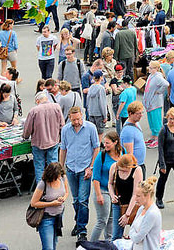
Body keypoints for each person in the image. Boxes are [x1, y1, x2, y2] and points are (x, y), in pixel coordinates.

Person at [58, 106, 98, 241]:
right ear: (70, 118)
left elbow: (96, 147)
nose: (77, 122)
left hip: (85, 169)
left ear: (82, 116)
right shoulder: (65, 130)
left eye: (79, 119)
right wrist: (60, 167)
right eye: (74, 120)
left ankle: (82, 230)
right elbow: (63, 149)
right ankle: (78, 221)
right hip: (71, 168)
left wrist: (91, 167)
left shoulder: (91, 128)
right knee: (75, 200)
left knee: (83, 200)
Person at [25, 90, 64, 184]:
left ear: (37, 101)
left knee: (39, 167)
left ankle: (41, 190)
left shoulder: (34, 111)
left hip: (38, 143)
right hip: (54, 141)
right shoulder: (56, 107)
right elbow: (62, 125)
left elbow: (27, 128)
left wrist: (25, 136)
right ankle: (55, 185)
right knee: (53, 165)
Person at [90, 130, 120, 242]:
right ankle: (91, 245)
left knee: (112, 219)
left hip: (115, 191)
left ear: (115, 142)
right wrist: (98, 195)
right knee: (102, 220)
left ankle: (109, 242)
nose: (105, 145)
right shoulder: (101, 156)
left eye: (108, 143)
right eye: (104, 143)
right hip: (103, 190)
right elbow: (96, 178)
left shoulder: (122, 153)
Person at [30, 162, 68, 250]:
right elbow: (34, 203)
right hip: (46, 218)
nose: (59, 177)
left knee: (54, 243)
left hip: (58, 215)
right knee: (48, 248)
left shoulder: (62, 178)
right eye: (57, 176)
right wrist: (52, 203)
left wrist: (63, 198)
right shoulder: (43, 184)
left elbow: (66, 192)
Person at [108, 154, 143, 241]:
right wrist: (112, 195)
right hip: (118, 204)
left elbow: (135, 194)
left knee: (136, 235)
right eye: (121, 170)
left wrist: (127, 214)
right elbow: (110, 183)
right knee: (116, 235)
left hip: (134, 205)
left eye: (126, 170)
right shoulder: (114, 167)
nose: (123, 172)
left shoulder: (137, 170)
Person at [123, 176, 163, 250]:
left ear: (147, 196)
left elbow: (138, 238)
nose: (135, 199)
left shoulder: (152, 213)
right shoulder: (141, 208)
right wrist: (134, 234)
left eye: (138, 196)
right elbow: (132, 228)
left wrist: (133, 235)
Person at [142, 61, 169, 147]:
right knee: (152, 121)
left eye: (151, 68)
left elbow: (166, 84)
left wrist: (159, 91)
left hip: (155, 103)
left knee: (156, 121)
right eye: (149, 67)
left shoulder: (157, 77)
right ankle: (154, 137)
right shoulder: (151, 75)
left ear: (157, 69)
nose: (149, 69)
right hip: (150, 102)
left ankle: (158, 139)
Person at [121, 102, 147, 167]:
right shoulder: (128, 131)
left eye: (141, 113)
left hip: (140, 163)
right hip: (134, 166)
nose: (141, 115)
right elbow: (129, 154)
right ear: (130, 114)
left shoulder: (136, 123)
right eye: (138, 113)